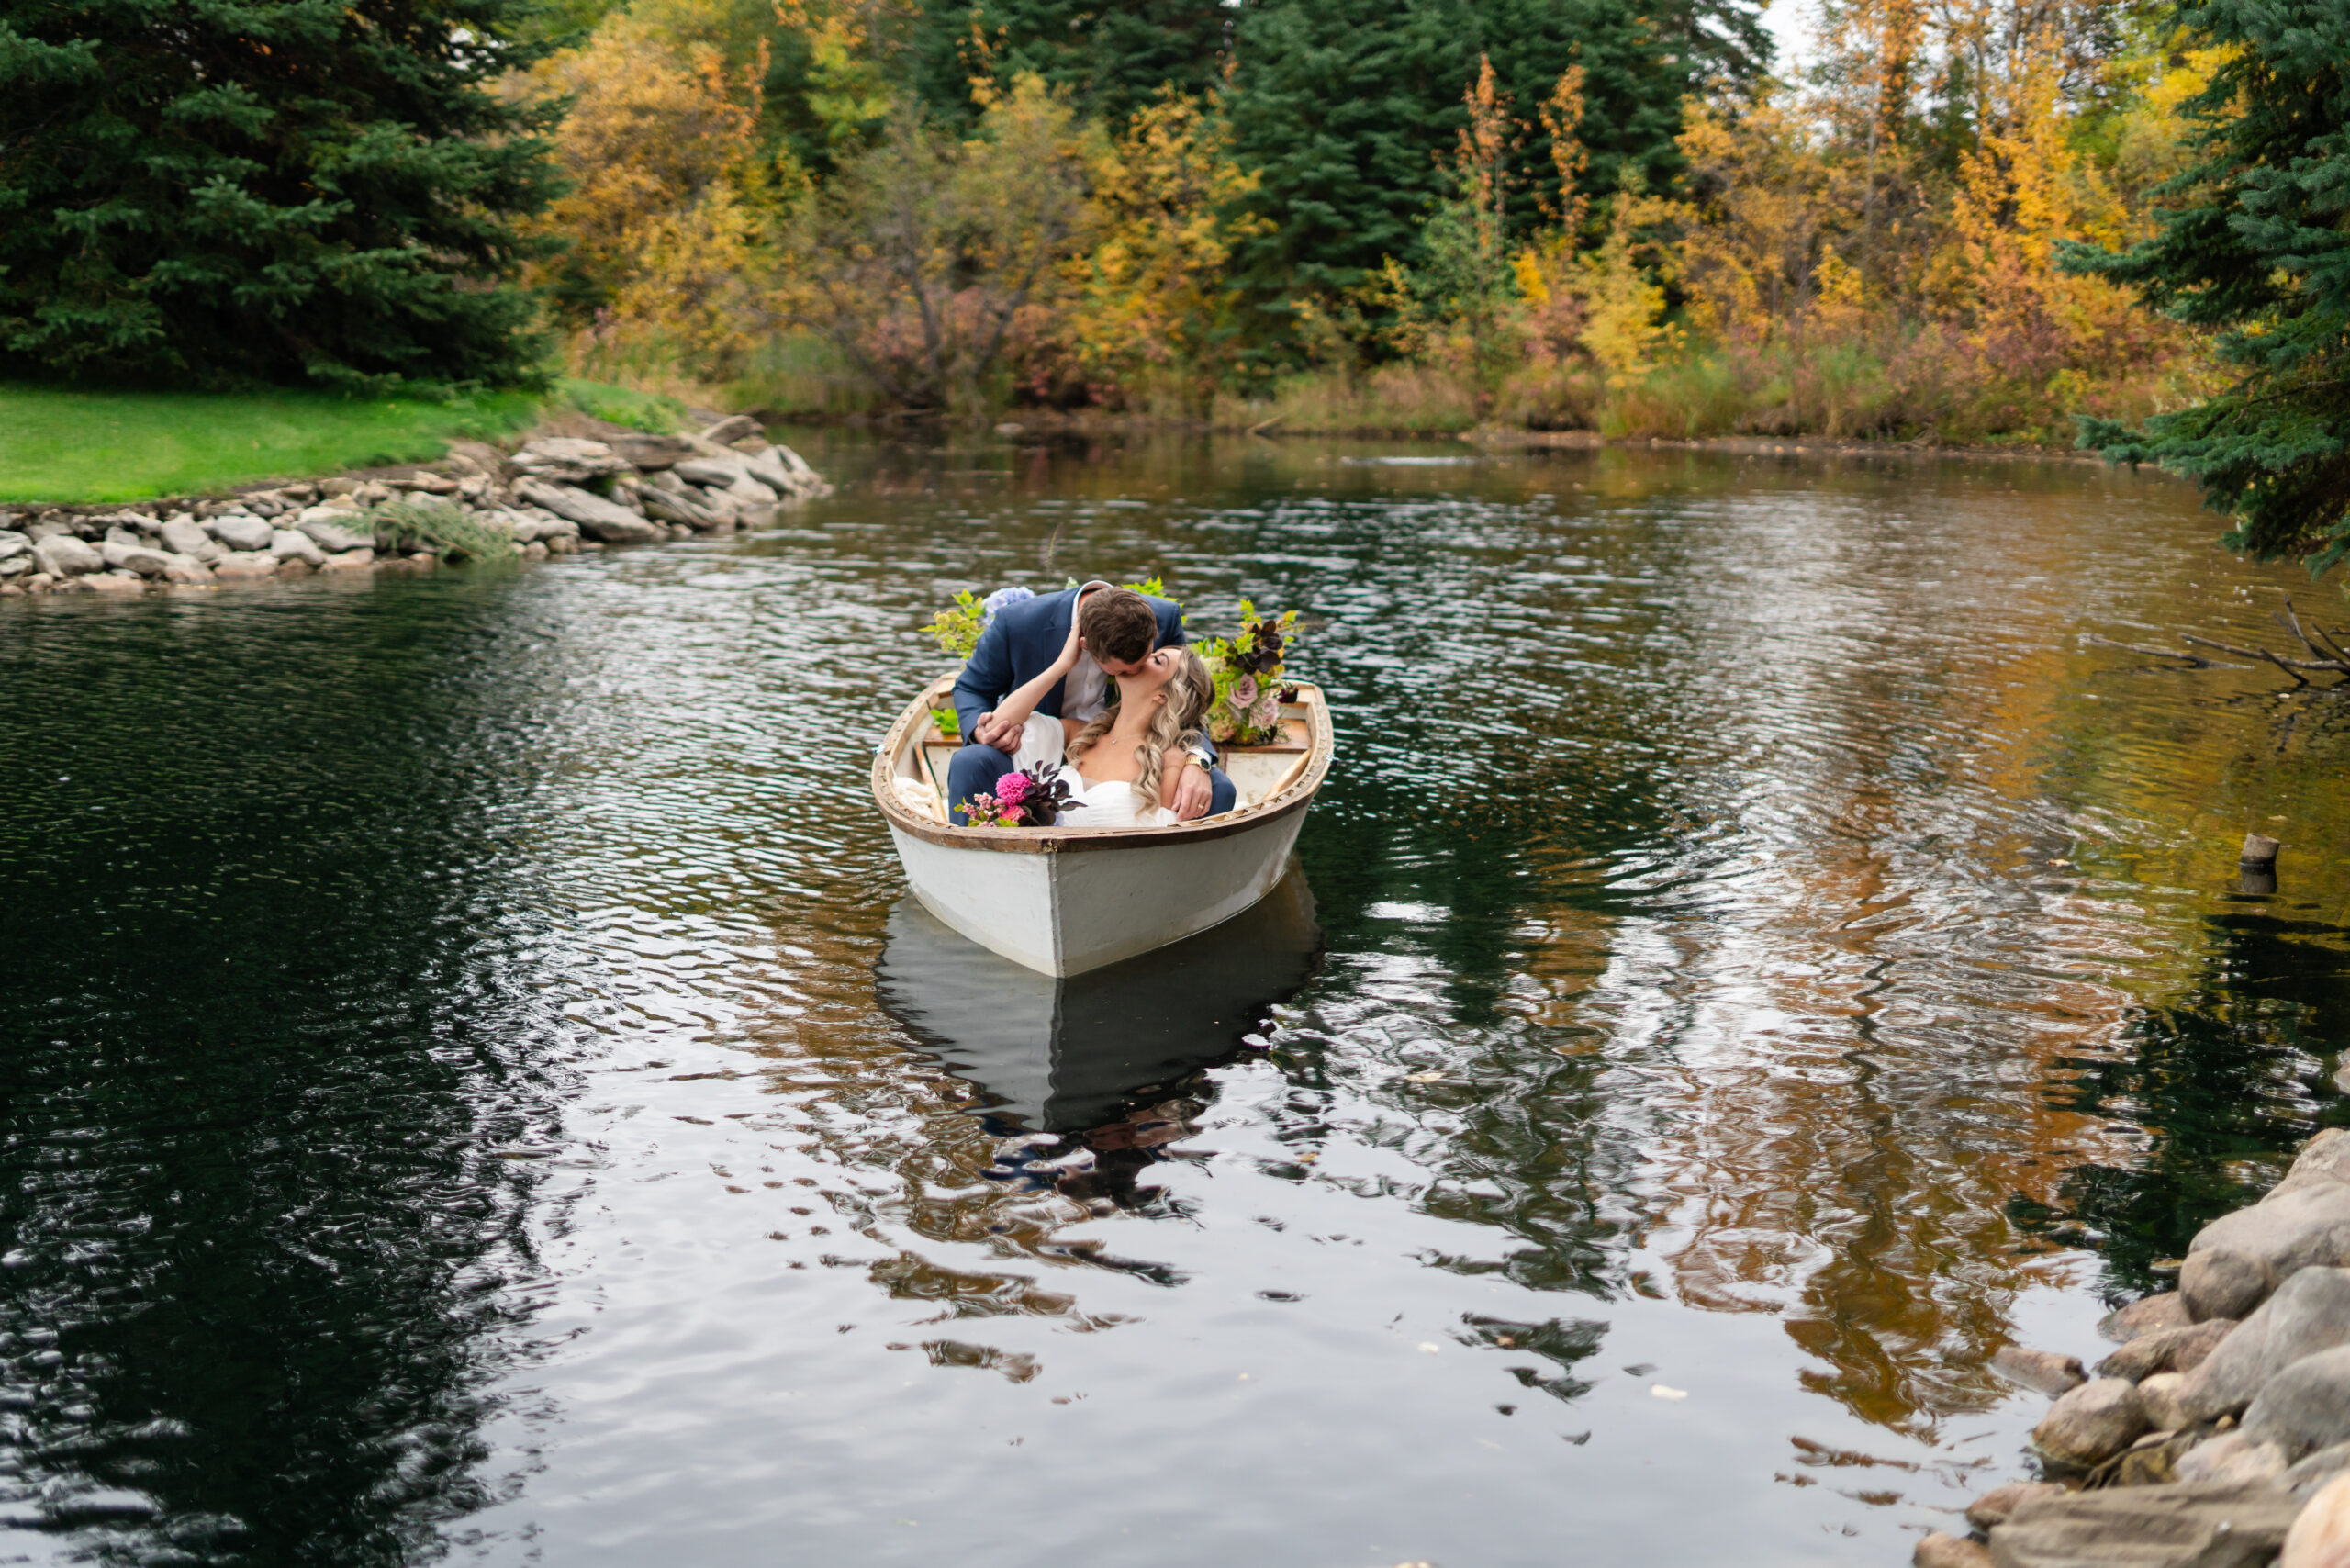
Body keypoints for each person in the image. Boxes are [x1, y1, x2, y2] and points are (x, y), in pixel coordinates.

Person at [948, 581, 1235, 826]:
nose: (1139, 666)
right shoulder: (1018, 622)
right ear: (1093, 654)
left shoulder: (1161, 619)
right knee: (972, 761)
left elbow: (1187, 699)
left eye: (1151, 656)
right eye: (1126, 667)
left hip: (1141, 748)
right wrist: (981, 731)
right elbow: (972, 688)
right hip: (1063, 744)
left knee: (1217, 788)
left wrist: (1197, 760)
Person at [988, 635, 1215, 827]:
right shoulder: (1080, 736)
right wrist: (1064, 664)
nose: (1141, 655)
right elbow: (998, 724)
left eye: (1157, 660)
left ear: (1163, 696)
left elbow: (1167, 841)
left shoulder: (1167, 759)